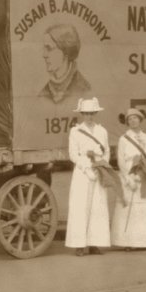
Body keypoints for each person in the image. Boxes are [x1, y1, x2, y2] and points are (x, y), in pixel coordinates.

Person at [66, 98, 111, 257]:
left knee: (98, 207)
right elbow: (73, 154)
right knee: (80, 207)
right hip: (82, 171)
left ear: (96, 113)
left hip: (98, 168)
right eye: (86, 114)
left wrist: (101, 165)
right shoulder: (75, 131)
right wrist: (85, 168)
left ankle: (95, 244)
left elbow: (106, 152)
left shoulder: (102, 131)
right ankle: (79, 244)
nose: (89, 117)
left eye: (92, 113)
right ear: (81, 114)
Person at [111, 108, 146, 251]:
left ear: (140, 120)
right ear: (127, 123)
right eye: (130, 119)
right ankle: (128, 242)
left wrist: (144, 172)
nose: (133, 121)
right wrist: (128, 177)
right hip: (129, 177)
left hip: (143, 175)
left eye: (135, 118)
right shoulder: (123, 139)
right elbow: (121, 160)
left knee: (142, 207)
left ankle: (143, 242)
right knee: (128, 207)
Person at [39, 24, 92, 106]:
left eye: (49, 48)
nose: (44, 55)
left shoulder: (85, 91)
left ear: (65, 53)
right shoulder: (42, 95)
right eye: (44, 49)